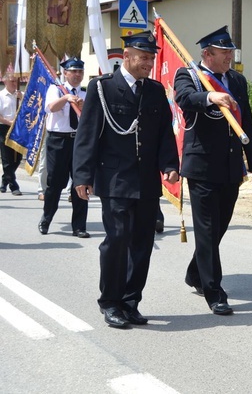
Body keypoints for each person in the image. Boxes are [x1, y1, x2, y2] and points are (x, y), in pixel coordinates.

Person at [73, 31, 179, 328]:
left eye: (152, 58)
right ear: (127, 56)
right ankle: (110, 301)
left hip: (145, 180)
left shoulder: (155, 91)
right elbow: (87, 134)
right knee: (117, 240)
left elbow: (163, 133)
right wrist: (83, 174)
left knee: (142, 242)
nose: (149, 63)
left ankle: (131, 301)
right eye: (144, 58)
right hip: (114, 178)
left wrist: (169, 164)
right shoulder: (103, 88)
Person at [174, 26, 252, 316]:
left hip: (230, 166)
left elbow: (246, 124)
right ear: (207, 54)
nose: (229, 57)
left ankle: (196, 272)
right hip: (201, 166)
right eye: (224, 53)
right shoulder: (189, 75)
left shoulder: (236, 80)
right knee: (207, 229)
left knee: (217, 229)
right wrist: (210, 97)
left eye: (230, 52)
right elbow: (185, 98)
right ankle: (214, 291)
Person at [38, 57, 88, 237]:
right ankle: (47, 217)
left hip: (78, 142)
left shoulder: (84, 93)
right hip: (58, 141)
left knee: (81, 182)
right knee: (55, 183)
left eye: (80, 71)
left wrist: (82, 107)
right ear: (65, 73)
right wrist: (66, 98)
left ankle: (79, 226)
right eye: (73, 71)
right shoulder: (56, 90)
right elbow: (51, 107)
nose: (77, 75)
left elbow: (89, 119)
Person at [0, 73, 23, 196]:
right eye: (12, 81)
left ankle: (5, 180)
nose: (14, 83)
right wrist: (9, 122)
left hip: (18, 129)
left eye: (15, 81)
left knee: (17, 158)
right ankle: (14, 185)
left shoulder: (20, 95)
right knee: (7, 158)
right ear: (5, 82)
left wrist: (22, 98)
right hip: (4, 128)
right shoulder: (1, 96)